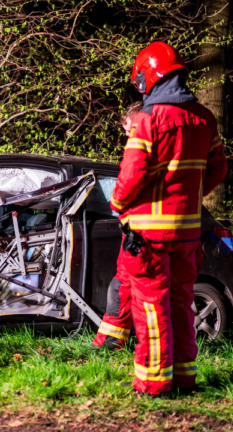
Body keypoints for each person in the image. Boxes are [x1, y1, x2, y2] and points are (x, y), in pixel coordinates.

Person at [110, 41, 228, 396]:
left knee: (151, 307)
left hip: (148, 235)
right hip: (188, 233)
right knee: (180, 303)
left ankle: (153, 384)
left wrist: (118, 204)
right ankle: (185, 377)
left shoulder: (148, 120)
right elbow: (219, 169)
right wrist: (190, 197)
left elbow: (130, 177)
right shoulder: (204, 118)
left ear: (148, 78)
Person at [91, 101, 144, 351]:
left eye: (126, 130)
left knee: (124, 287)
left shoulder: (141, 148)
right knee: (126, 287)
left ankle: (112, 342)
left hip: (140, 230)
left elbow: (123, 189)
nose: (125, 136)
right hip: (143, 229)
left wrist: (116, 203)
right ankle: (112, 341)